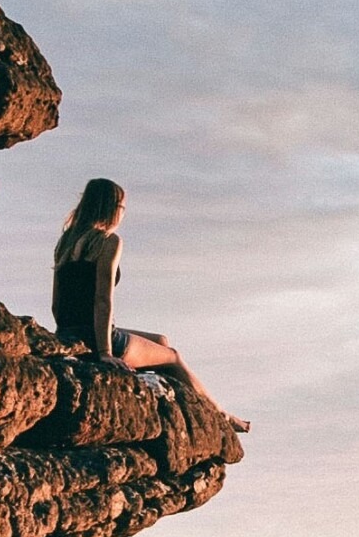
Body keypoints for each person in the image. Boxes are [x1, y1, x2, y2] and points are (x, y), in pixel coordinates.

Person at [51, 178, 249, 431]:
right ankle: (221, 416)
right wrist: (104, 353)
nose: (123, 213)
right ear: (111, 208)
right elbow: (102, 300)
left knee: (161, 341)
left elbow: (57, 304)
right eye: (122, 207)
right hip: (97, 337)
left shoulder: (65, 243)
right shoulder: (108, 242)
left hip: (69, 332)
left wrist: (67, 336)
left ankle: (174, 406)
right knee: (174, 357)